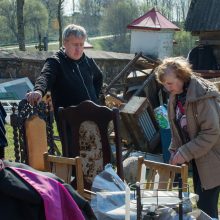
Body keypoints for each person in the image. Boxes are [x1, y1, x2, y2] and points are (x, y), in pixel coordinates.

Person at [155, 56, 220, 218]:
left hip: (214, 157)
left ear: (182, 76)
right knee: (187, 203)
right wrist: (174, 149)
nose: (167, 88)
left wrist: (185, 152)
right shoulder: (176, 95)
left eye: (169, 83)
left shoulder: (202, 95)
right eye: (164, 85)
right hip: (197, 156)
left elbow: (211, 131)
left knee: (206, 207)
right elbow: (177, 129)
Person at [26, 24, 103, 123]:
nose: (79, 49)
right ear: (65, 43)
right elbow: (45, 77)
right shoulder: (55, 62)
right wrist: (38, 91)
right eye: (75, 44)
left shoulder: (87, 60)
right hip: (70, 121)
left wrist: (95, 98)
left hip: (93, 116)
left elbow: (99, 77)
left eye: (81, 44)